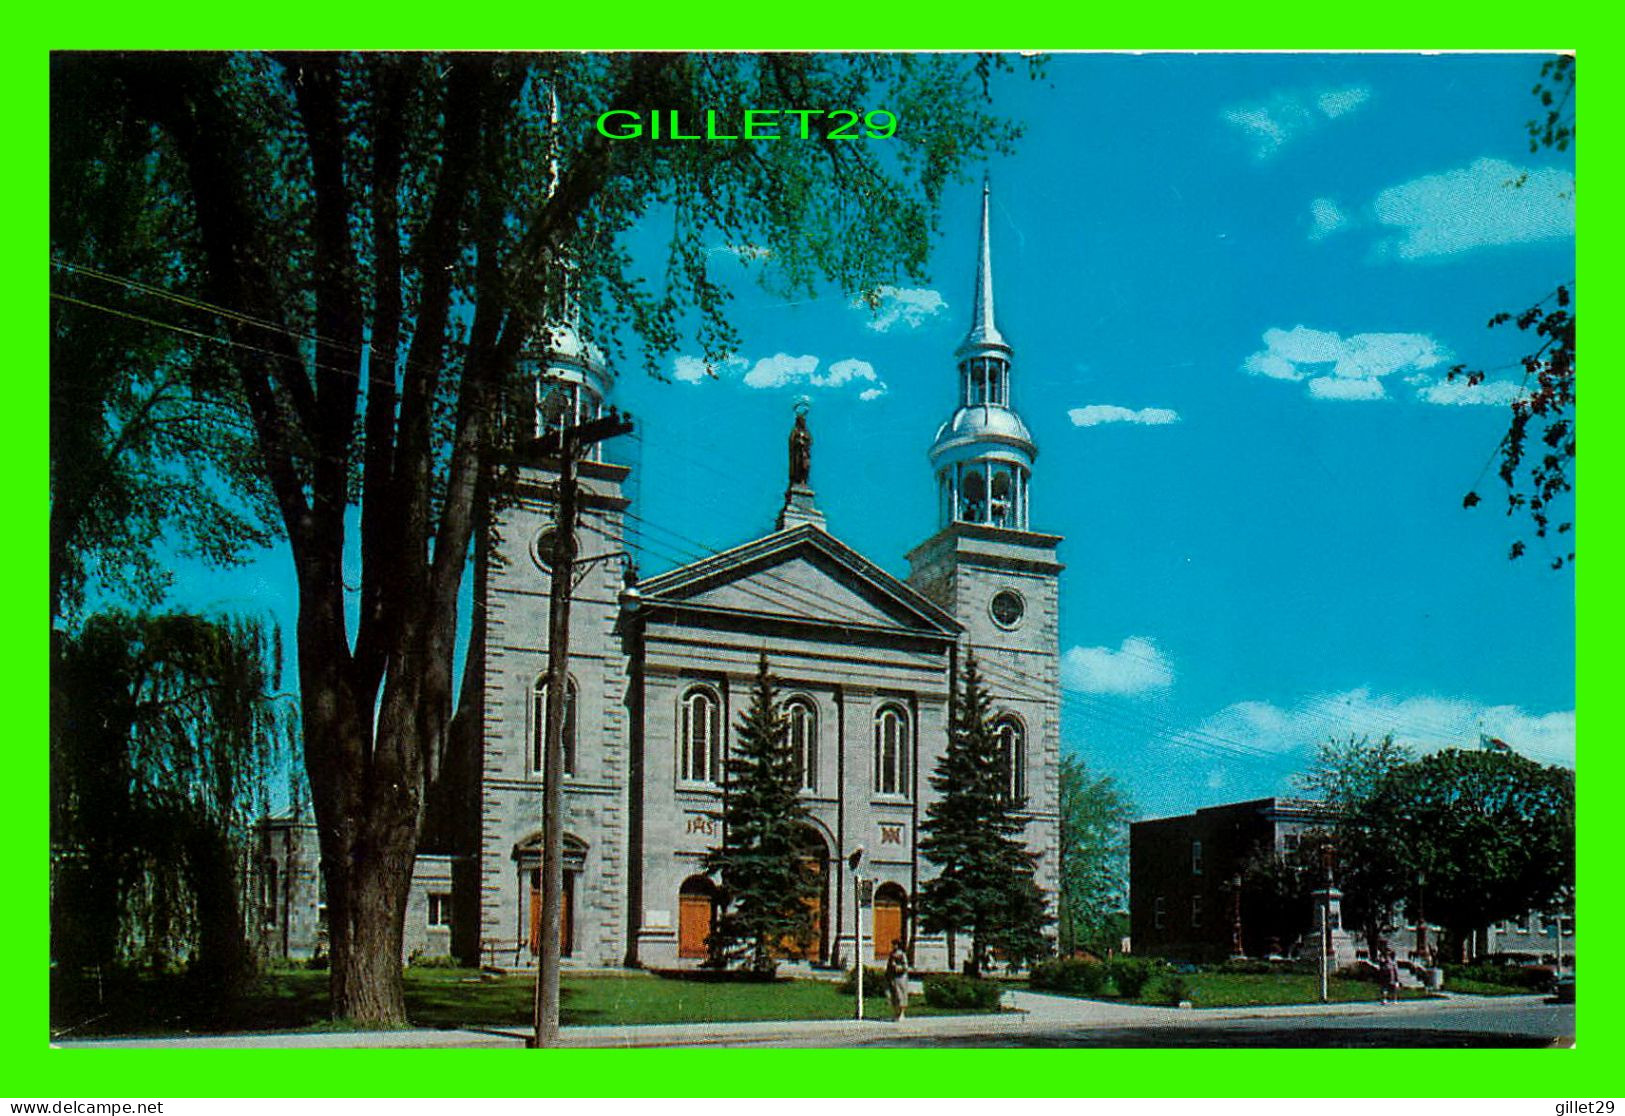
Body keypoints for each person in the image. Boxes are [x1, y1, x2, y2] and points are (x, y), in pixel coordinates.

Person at [885, 939, 910, 1022]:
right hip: (893, 978)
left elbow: (905, 967)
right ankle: (896, 1013)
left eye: (895, 944)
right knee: (894, 995)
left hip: (900, 978)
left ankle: (902, 1013)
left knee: (901, 995)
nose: (893, 946)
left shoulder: (902, 955)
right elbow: (888, 966)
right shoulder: (892, 955)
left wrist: (898, 967)